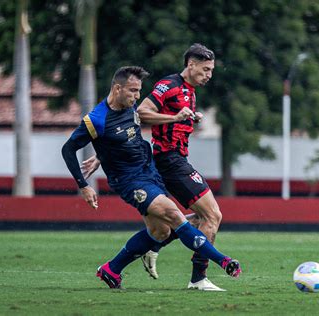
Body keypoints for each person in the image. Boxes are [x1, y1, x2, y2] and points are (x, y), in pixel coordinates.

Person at [61, 66, 241, 289]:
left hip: (150, 171)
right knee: (175, 215)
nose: (137, 97)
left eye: (139, 91)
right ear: (117, 89)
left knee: (160, 231)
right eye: (133, 91)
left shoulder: (129, 105)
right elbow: (68, 149)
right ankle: (223, 262)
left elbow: (121, 138)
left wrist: (100, 156)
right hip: (130, 181)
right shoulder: (96, 119)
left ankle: (111, 269)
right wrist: (84, 185)